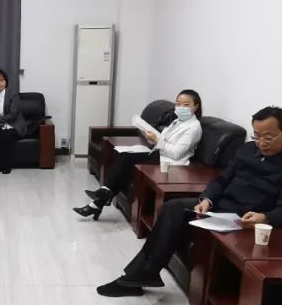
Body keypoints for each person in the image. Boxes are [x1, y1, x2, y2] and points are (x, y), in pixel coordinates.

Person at [97, 106, 282, 297]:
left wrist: (264, 217)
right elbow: (221, 180)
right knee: (173, 207)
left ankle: (138, 276)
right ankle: (143, 273)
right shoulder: (247, 150)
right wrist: (207, 199)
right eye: (257, 136)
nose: (261, 143)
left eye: (268, 137)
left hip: (245, 219)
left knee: (175, 212)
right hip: (219, 209)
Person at [74, 89, 203, 219]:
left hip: (171, 163)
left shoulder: (194, 127)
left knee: (127, 160)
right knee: (125, 157)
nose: (181, 107)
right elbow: (162, 140)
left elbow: (177, 153)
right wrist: (150, 137)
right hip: (160, 154)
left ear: (196, 106)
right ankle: (100, 199)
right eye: (178, 104)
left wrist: (156, 140)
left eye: (186, 104)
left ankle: (100, 199)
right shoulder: (176, 121)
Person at [0, 69, 30, 174]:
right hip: (0, 124)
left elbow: (13, 115)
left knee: (5, 136)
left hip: (14, 124)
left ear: (6, 81)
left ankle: (6, 166)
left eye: (1, 80)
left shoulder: (13, 95)